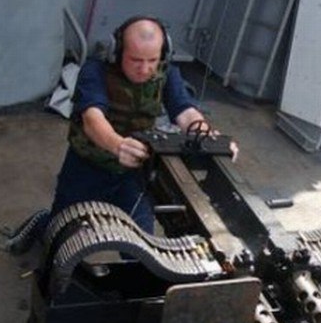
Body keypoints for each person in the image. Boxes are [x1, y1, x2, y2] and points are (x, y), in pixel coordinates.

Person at [48, 16, 238, 234]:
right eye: (136, 60)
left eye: (152, 60)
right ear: (117, 51)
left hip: (134, 172)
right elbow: (92, 119)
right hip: (87, 166)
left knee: (140, 241)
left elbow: (185, 112)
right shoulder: (96, 70)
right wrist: (118, 145)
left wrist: (209, 138)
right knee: (61, 232)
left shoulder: (166, 73)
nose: (145, 69)